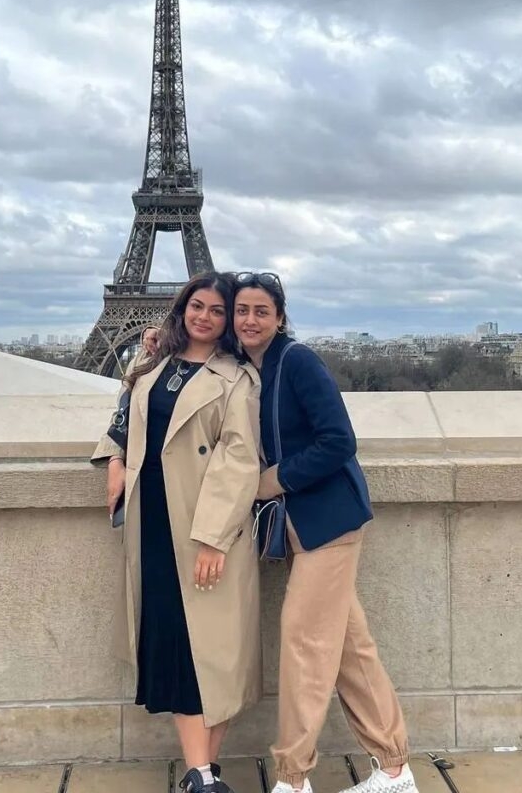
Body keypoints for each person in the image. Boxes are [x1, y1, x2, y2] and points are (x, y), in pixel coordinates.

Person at [233, 273, 419, 793]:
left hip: (328, 522)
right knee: (350, 649)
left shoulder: (297, 361)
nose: (250, 320)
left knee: (304, 642)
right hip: (303, 525)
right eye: (242, 310)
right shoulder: (248, 364)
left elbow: (339, 439)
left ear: (280, 317)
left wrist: (278, 478)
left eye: (261, 311)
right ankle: (394, 767)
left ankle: (293, 778)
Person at [91, 272, 262, 793]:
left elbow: (238, 460)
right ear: (182, 308)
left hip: (207, 527)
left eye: (217, 309)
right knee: (177, 646)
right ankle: (202, 774)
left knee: (213, 654)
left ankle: (200, 773)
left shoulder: (238, 378)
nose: (205, 316)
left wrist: (213, 536)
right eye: (197, 306)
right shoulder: (153, 362)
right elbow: (127, 411)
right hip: (154, 525)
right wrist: (115, 456)